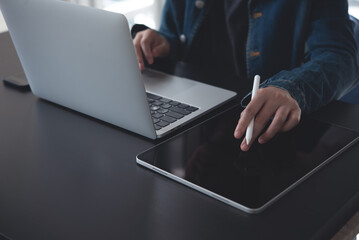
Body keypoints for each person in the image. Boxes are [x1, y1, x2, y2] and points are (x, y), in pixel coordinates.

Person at [132, 0, 359, 151]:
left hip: (269, 139)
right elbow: (178, 34)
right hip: (198, 128)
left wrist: (291, 88)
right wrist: (164, 43)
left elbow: (340, 56)